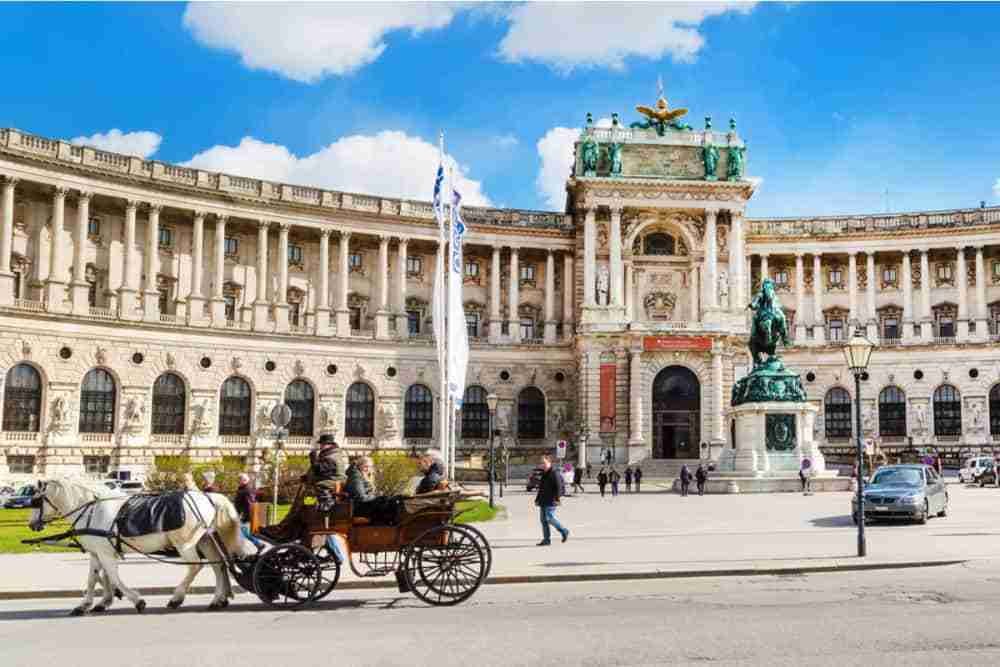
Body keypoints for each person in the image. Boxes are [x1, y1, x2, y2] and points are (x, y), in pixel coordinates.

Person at [346, 456, 402, 525]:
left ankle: (391, 525)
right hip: (359, 507)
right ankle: (388, 526)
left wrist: (377, 496)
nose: (368, 469)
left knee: (392, 500)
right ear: (359, 466)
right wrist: (376, 497)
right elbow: (361, 497)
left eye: (370, 467)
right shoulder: (356, 477)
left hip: (366, 504)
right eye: (365, 466)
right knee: (385, 501)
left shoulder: (364, 475)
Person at [535, 454, 569, 546]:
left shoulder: (554, 473)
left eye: (544, 463)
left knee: (549, 518)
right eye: (541, 463)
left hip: (551, 499)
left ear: (549, 462)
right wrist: (537, 499)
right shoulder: (544, 474)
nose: (542, 465)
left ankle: (564, 530)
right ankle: (546, 540)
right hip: (543, 500)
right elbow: (541, 488)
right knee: (543, 520)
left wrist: (557, 498)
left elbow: (559, 487)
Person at [233, 473, 264, 549]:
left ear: (244, 480)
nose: (238, 481)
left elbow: (249, 504)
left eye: (240, 479)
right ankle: (256, 544)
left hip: (245, 515)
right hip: (242, 514)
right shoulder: (243, 489)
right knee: (241, 532)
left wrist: (243, 516)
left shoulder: (246, 490)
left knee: (243, 532)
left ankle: (258, 544)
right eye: (238, 479)